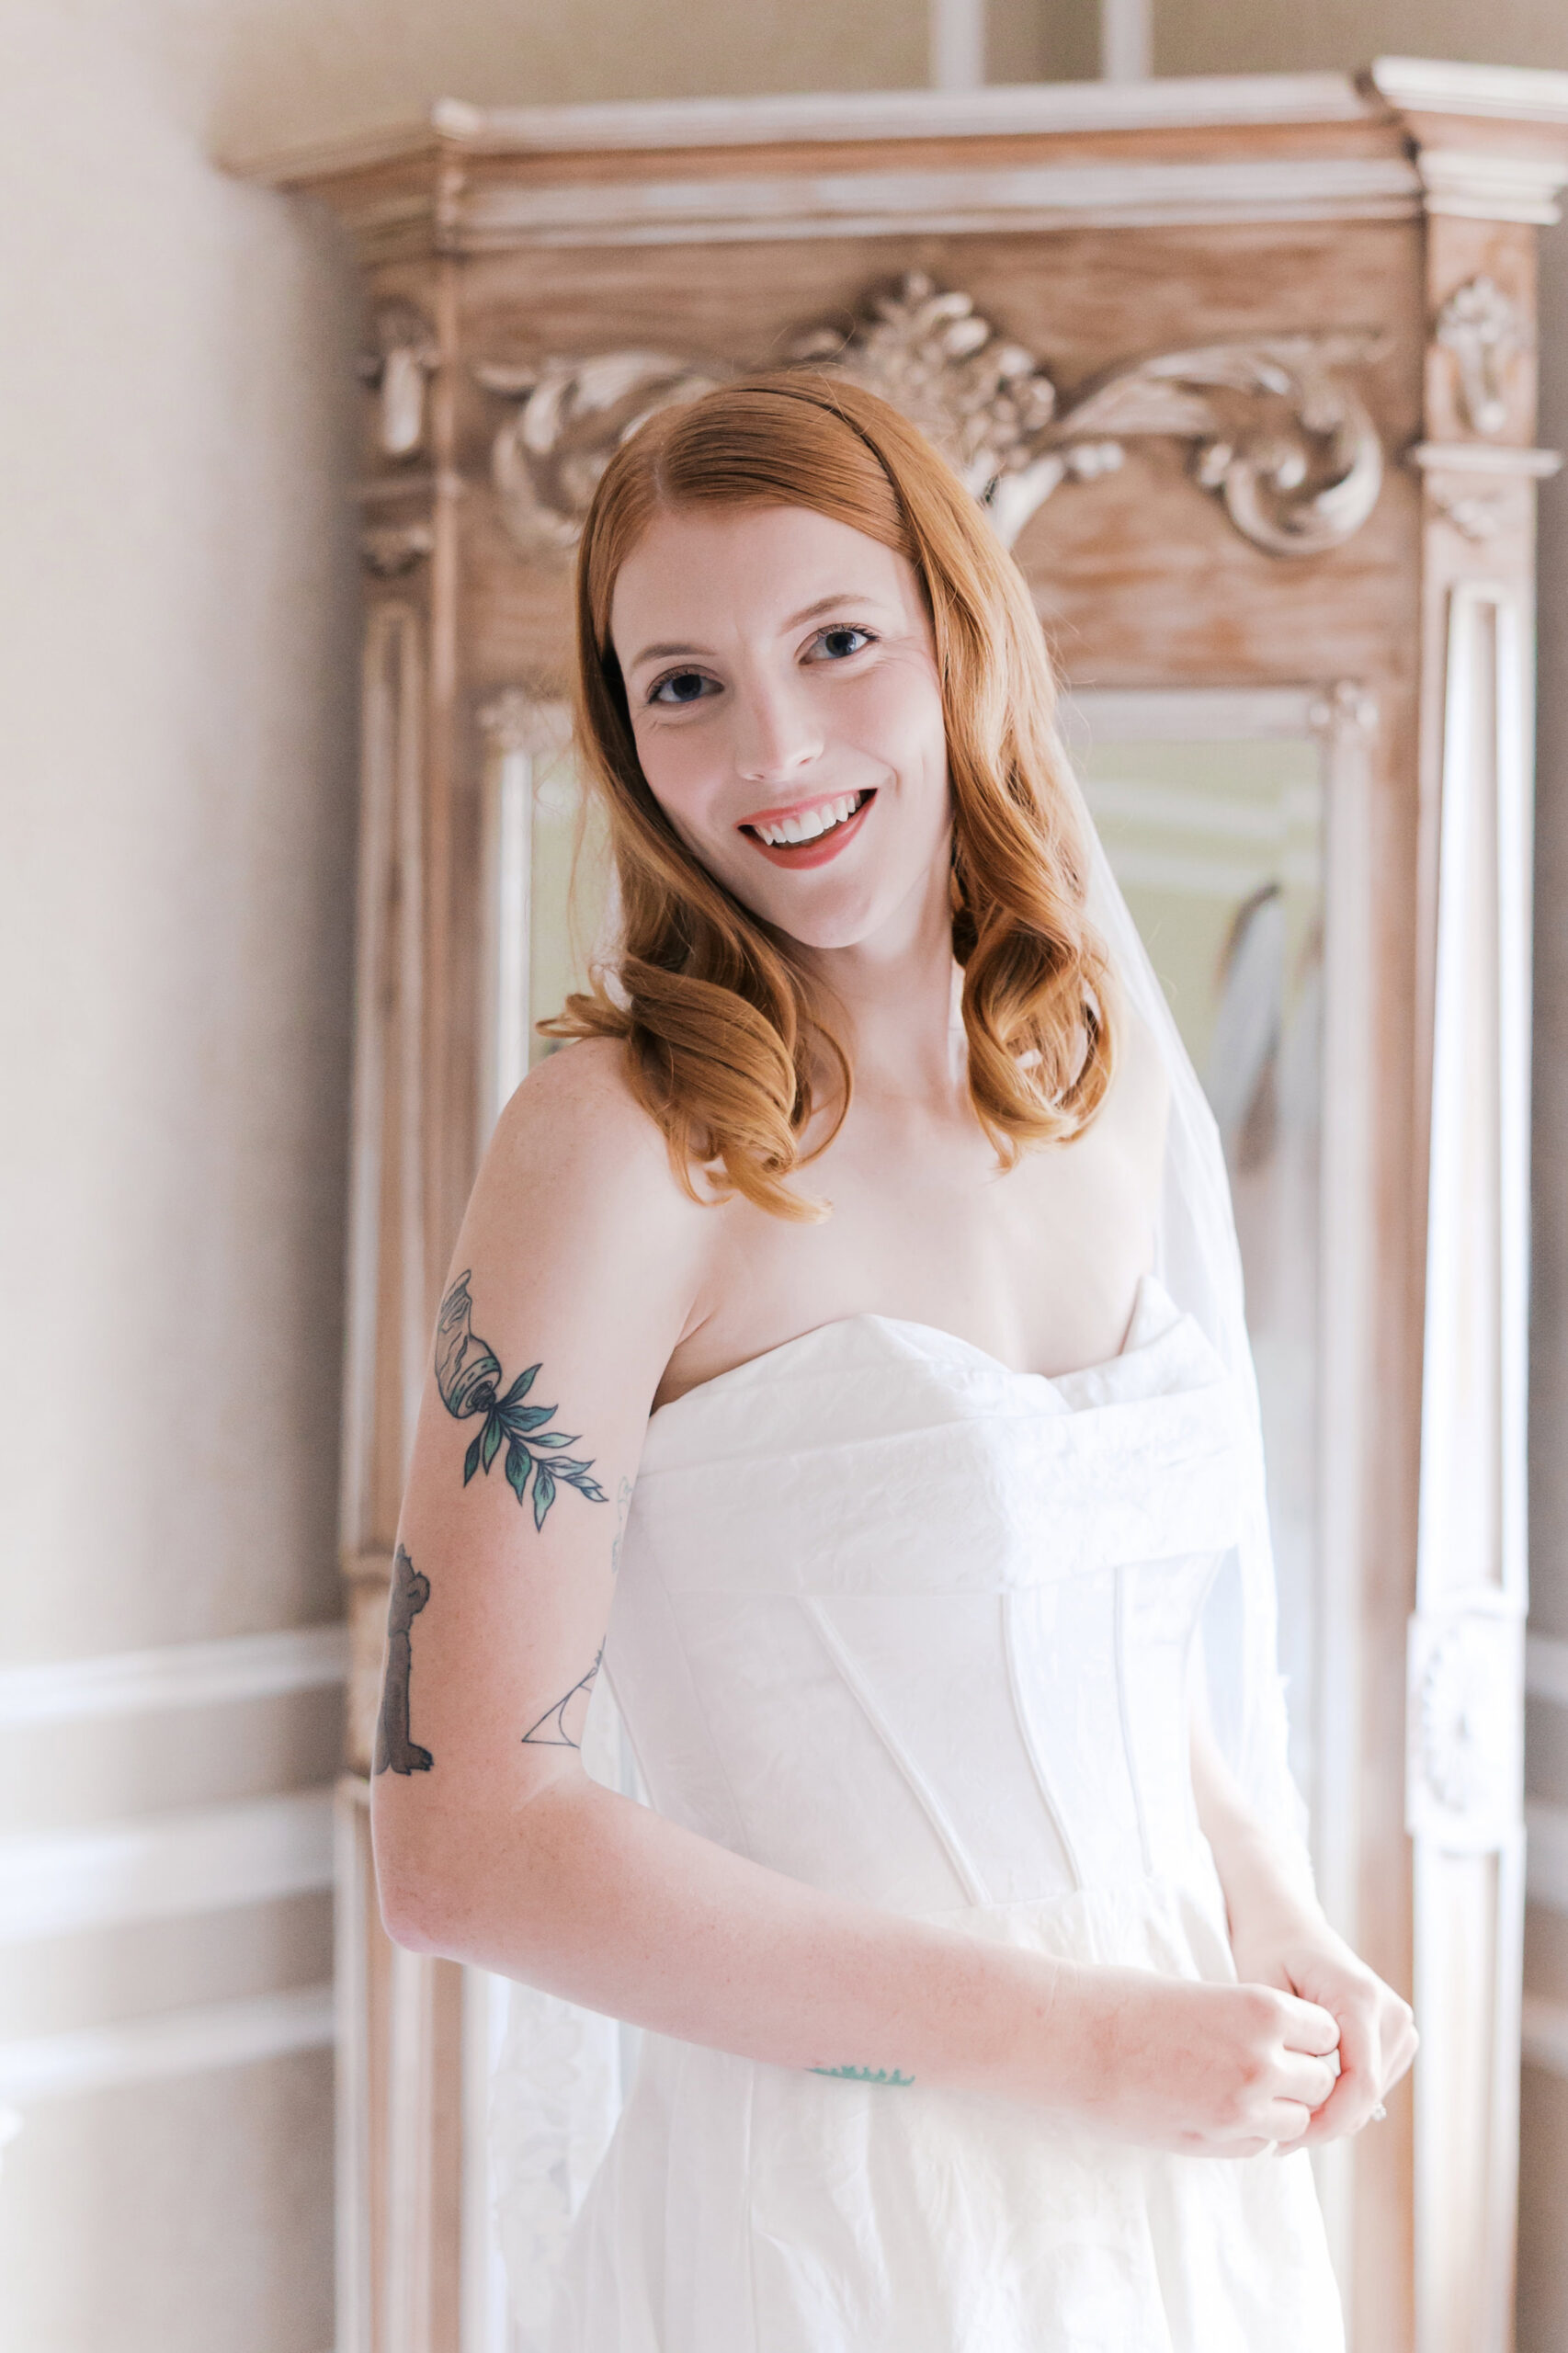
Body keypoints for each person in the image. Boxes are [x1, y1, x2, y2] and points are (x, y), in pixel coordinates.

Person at [372, 373, 1416, 2352]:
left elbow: (1095, 1630)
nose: (772, 748)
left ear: (958, 636)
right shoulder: (621, 1147)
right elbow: (462, 1845)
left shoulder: (1094, 1080)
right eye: (684, 684)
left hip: (1183, 2175)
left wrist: (1268, 1906)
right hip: (836, 2216)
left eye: (836, 642)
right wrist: (1077, 2042)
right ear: (623, 732)